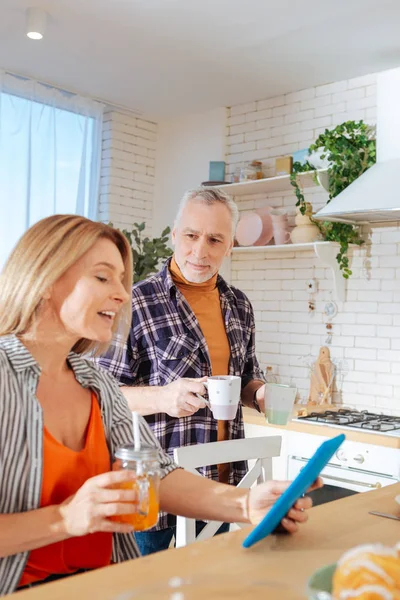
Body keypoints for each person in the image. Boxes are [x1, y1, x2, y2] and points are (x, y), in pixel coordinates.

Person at [0, 215, 321, 595]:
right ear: (45, 279)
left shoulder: (95, 384)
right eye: (103, 277)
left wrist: (247, 503)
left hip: (107, 585)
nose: (121, 294)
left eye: (120, 279)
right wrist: (64, 519)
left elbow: (159, 474)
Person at [97, 188, 270, 555]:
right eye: (191, 236)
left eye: (215, 239)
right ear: (175, 234)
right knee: (143, 590)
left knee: (210, 585)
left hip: (222, 480)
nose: (200, 250)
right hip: (155, 485)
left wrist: (258, 393)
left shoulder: (239, 305)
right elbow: (102, 396)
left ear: (230, 246)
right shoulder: (135, 302)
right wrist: (163, 396)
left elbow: (245, 375)